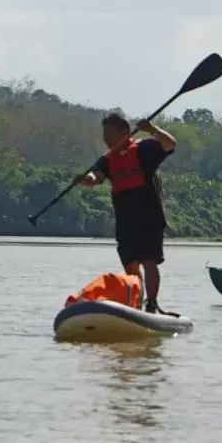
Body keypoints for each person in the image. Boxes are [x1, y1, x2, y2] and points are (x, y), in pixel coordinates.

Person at [76, 110, 177, 315]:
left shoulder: (144, 149)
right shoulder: (107, 159)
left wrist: (152, 129)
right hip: (126, 220)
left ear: (124, 132)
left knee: (149, 261)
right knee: (131, 265)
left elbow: (170, 144)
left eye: (109, 134)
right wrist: (86, 179)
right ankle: (137, 304)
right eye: (104, 135)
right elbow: (96, 176)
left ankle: (152, 303)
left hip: (149, 216)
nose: (106, 139)